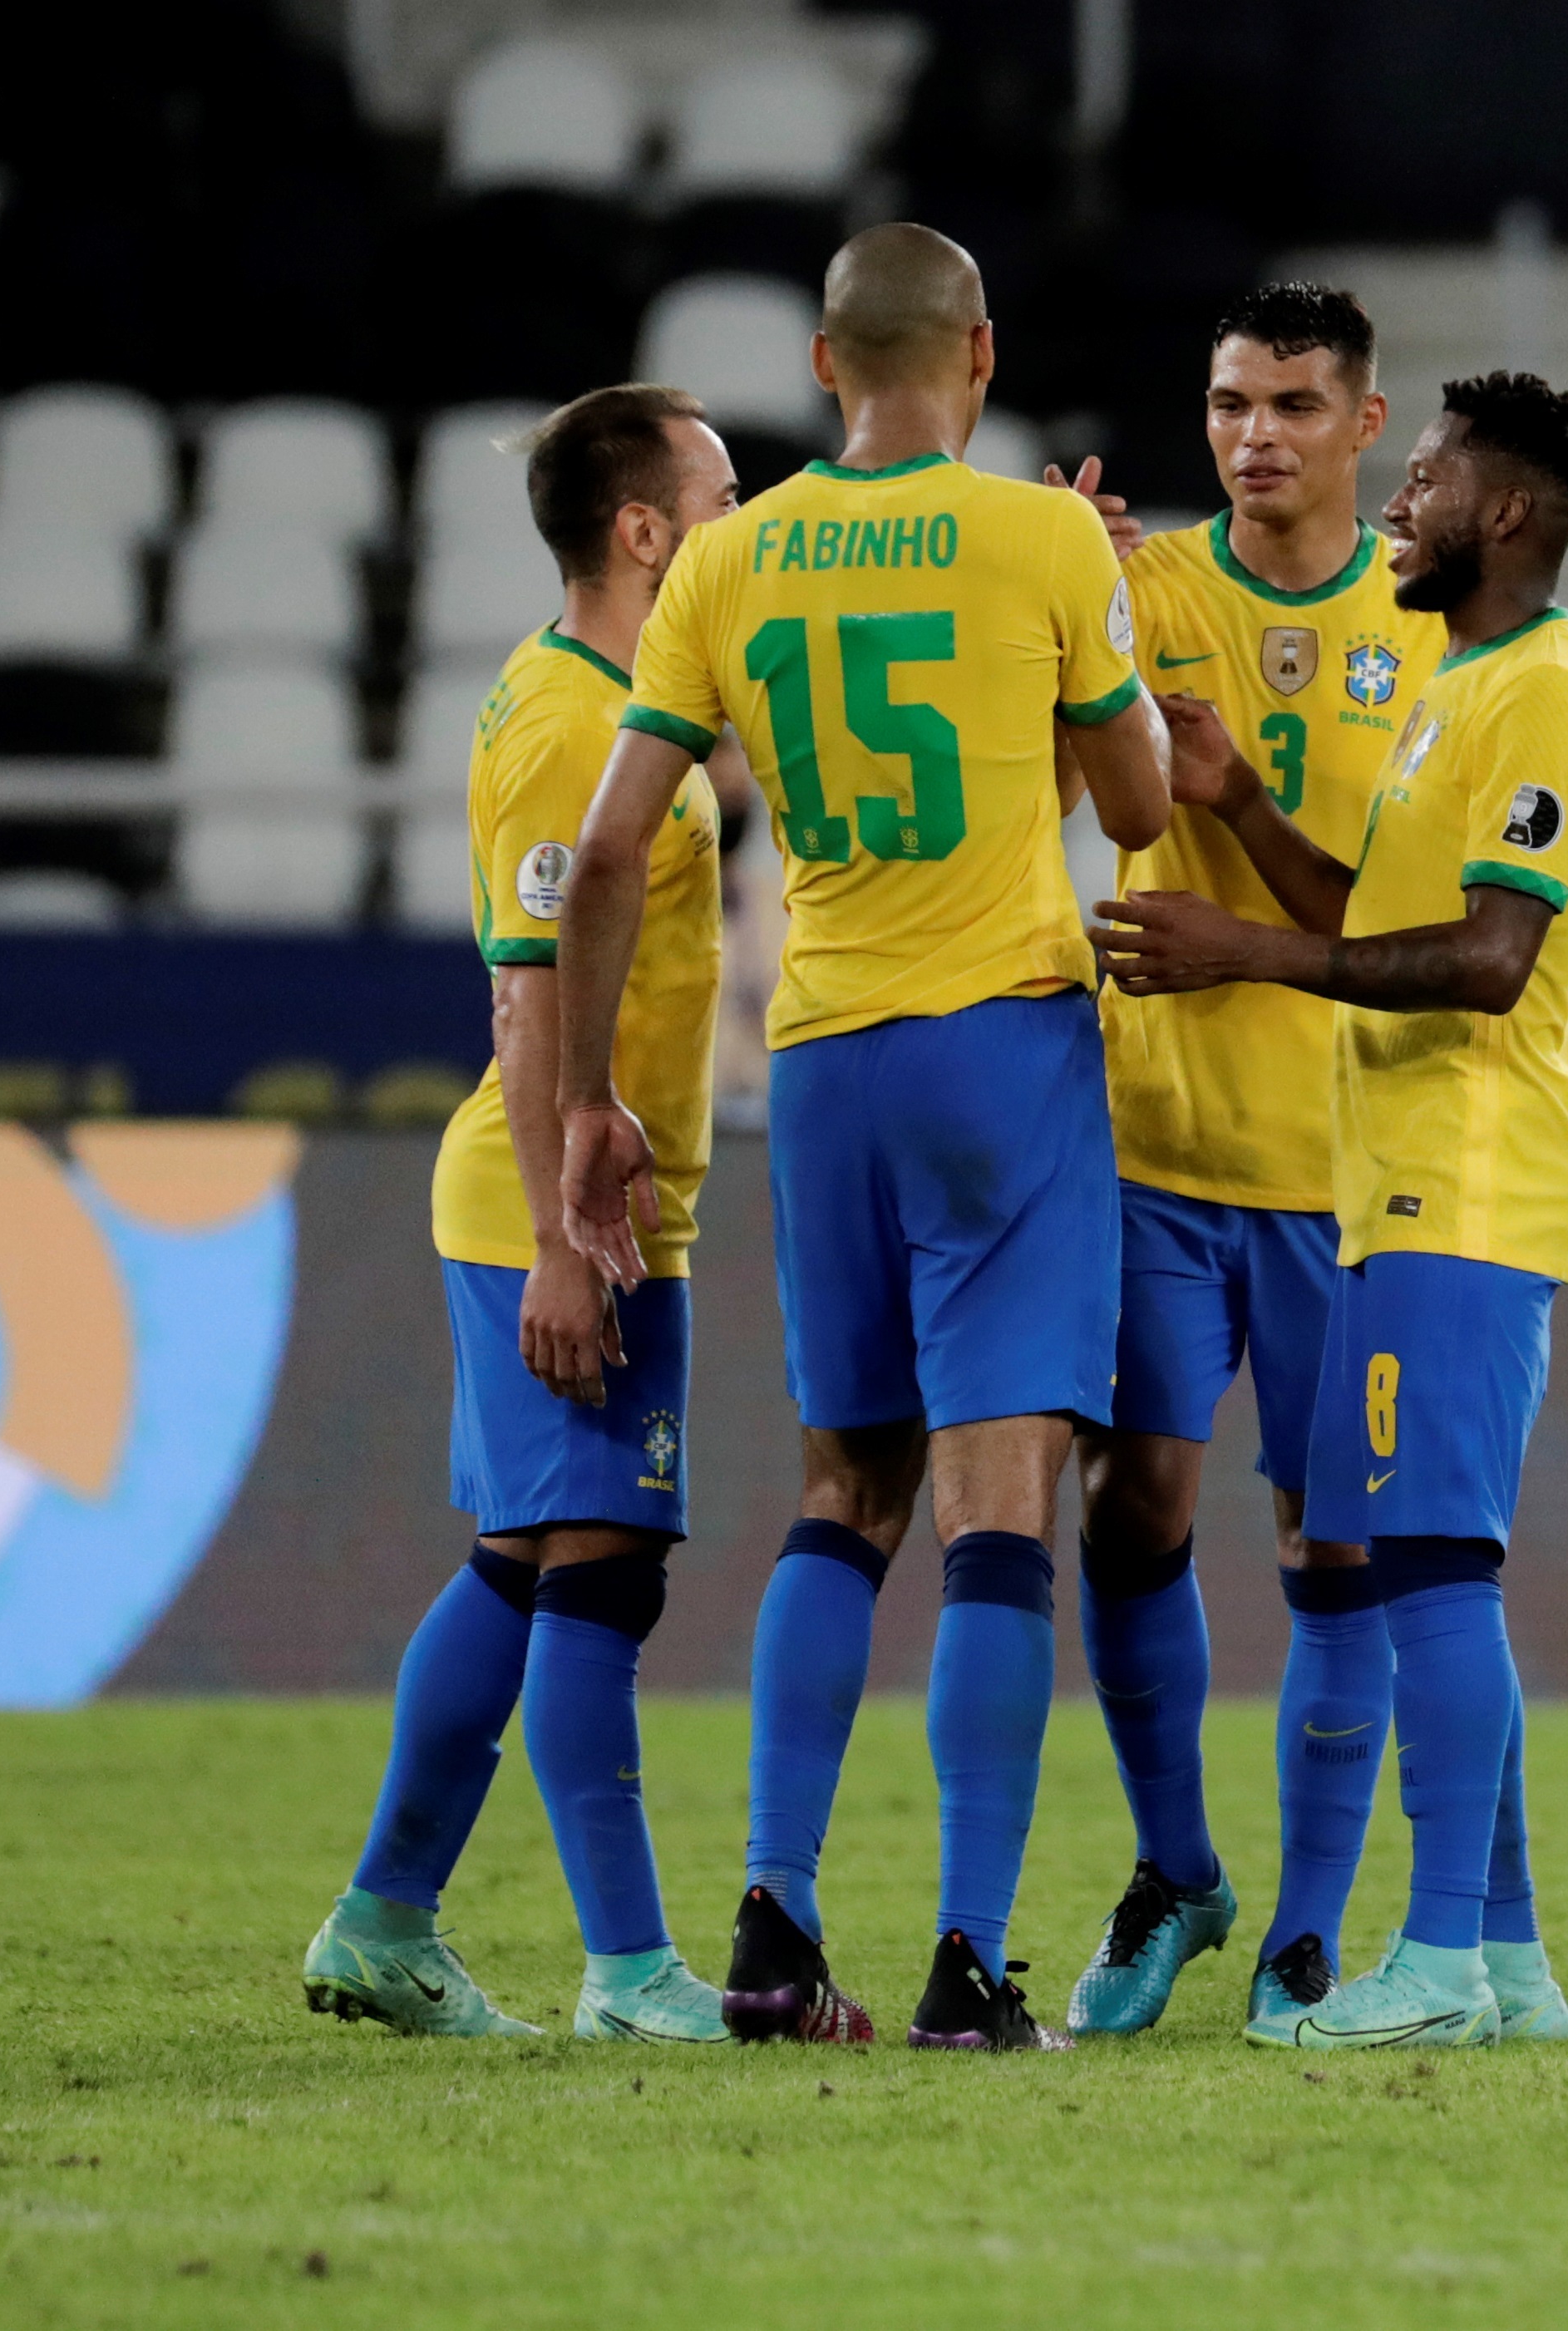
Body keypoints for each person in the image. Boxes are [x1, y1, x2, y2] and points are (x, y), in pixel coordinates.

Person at [554, 223, 1176, 2052]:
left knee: (845, 1490)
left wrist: (590, 1101)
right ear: (978, 354)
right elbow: (1136, 801)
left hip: (818, 1059)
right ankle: (974, 1965)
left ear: (825, 368)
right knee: (1001, 1504)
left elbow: (606, 854)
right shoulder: (1049, 535)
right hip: (1003, 1044)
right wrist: (1084, 658)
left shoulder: (725, 565)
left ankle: (769, 1919)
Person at [1065, 286, 1568, 2039]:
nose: (1400, 501)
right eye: (1228, 397)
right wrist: (1237, 804)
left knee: (1419, 1572)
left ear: (1503, 516)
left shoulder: (1538, 683)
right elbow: (1365, 902)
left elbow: (1485, 954)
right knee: (1410, 1557)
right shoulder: (1464, 685)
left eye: (1423, 477)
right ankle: (1508, 1954)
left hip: (1446, 1184)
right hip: (1362, 1173)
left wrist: (1243, 952)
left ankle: (1435, 1957)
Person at [300, 386, 743, 2043]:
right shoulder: (569, 720)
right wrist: (568, 1242)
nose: (743, 522)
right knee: (602, 1566)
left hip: (591, 1198)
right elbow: (527, 993)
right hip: (565, 1209)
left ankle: (383, 1921)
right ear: (645, 532)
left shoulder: (628, 704)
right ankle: (630, 1974)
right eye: (724, 492)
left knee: (512, 1562)